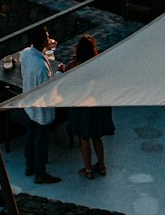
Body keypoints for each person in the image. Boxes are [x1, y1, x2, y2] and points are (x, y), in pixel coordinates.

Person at [18, 25, 61, 184]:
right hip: (40, 109)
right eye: (47, 37)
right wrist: (59, 74)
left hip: (29, 103)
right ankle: (40, 173)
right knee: (41, 142)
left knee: (30, 135)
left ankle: (29, 166)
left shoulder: (26, 53)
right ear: (43, 41)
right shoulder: (41, 67)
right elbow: (47, 90)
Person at [66, 33, 112, 178]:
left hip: (81, 106)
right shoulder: (99, 64)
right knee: (96, 137)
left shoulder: (74, 65)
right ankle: (102, 166)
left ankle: (88, 170)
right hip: (95, 105)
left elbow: (67, 82)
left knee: (84, 138)